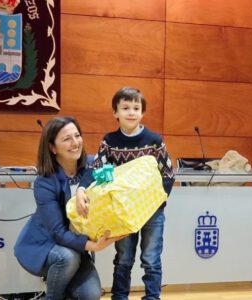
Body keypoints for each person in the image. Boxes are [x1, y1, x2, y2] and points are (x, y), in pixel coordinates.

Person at [76, 87, 175, 300]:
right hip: (121, 213)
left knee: (151, 258)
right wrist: (81, 188)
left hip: (151, 213)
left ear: (142, 112)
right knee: (123, 258)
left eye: (136, 108)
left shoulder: (154, 140)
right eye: (126, 107)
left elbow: (168, 173)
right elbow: (96, 169)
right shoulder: (110, 141)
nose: (131, 112)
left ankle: (152, 297)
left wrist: (158, 202)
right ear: (115, 113)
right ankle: (119, 297)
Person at [14, 116, 123, 300]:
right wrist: (93, 246)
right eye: (66, 139)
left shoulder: (91, 167)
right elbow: (57, 232)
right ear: (52, 147)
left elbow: (113, 166)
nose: (75, 143)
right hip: (44, 246)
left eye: (77, 135)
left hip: (75, 247)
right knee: (67, 258)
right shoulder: (45, 182)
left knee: (91, 294)